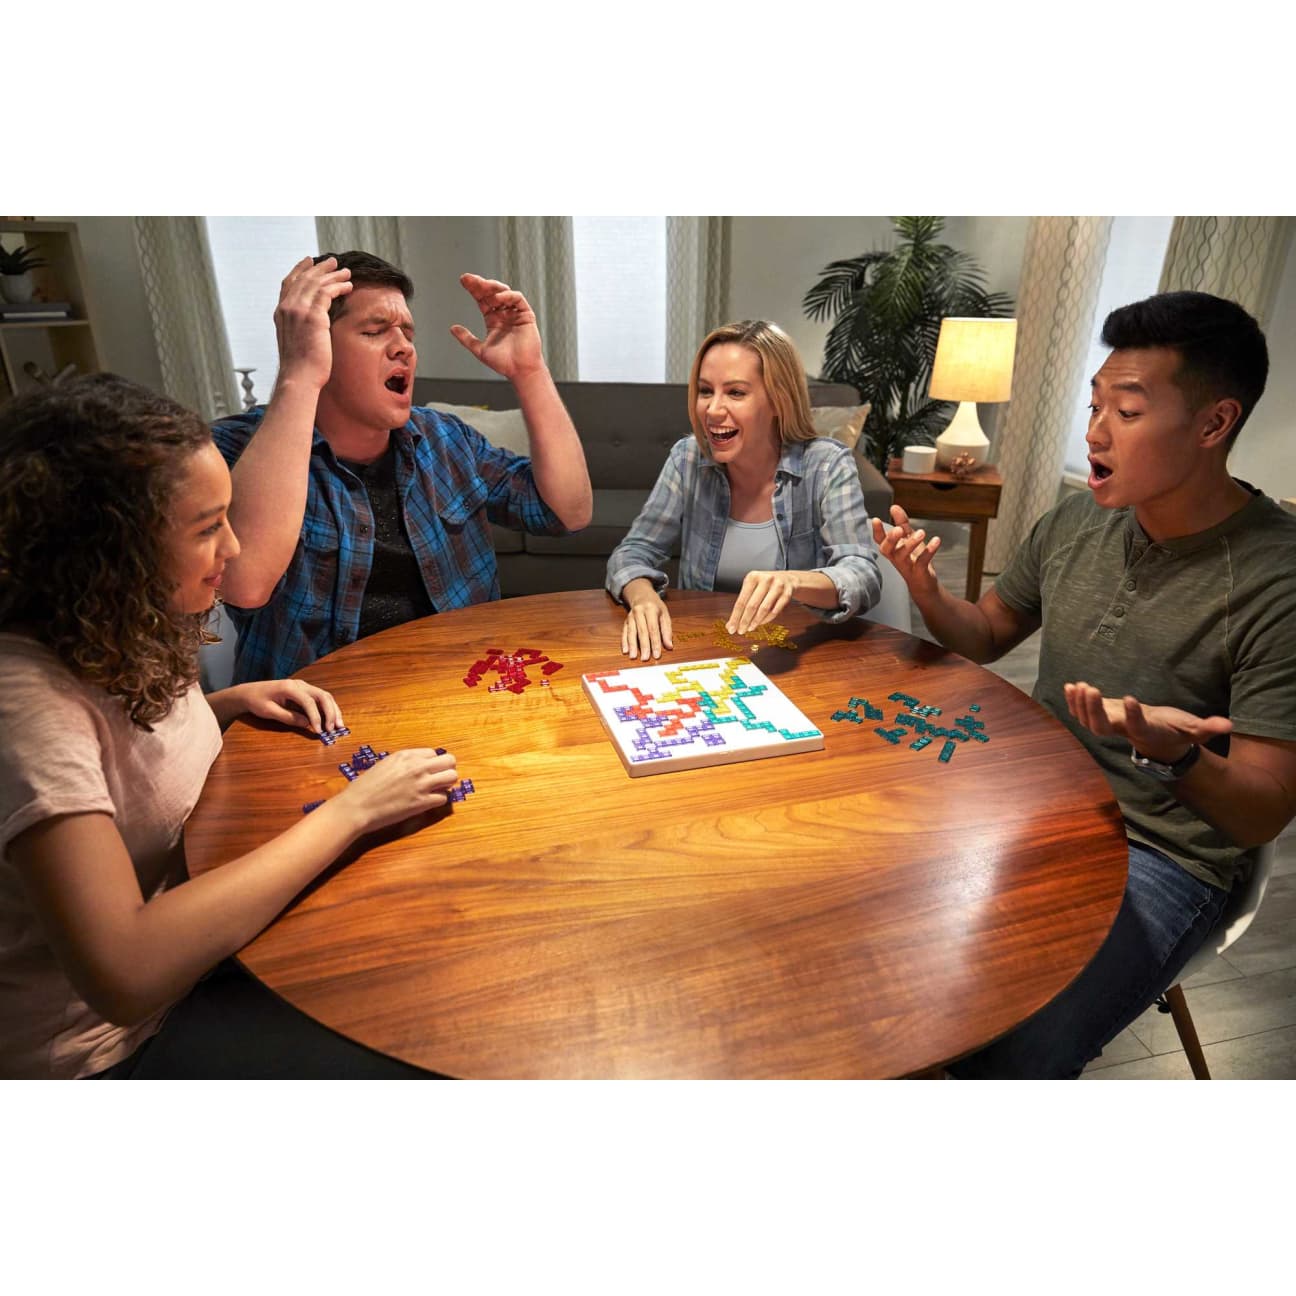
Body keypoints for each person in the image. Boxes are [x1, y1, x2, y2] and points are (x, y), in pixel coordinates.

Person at [872, 291, 1296, 1078]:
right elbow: (990, 634)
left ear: (1214, 424)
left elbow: (1265, 807)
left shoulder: (1279, 578)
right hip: (1034, 803)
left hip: (1166, 855)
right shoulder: (1076, 524)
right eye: (1094, 405)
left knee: (1015, 1052)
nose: (1095, 433)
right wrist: (929, 593)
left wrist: (1177, 757)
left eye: (1126, 413)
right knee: (879, 958)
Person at [0, 375, 462, 1079]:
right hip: (112, 1049)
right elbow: (125, 972)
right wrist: (354, 811)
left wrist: (227, 703)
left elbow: (121, 758)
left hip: (207, 949)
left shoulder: (116, 621)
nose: (235, 547)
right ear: (109, 548)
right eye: (208, 526)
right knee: (421, 1035)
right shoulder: (24, 704)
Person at [212, 251, 593, 684]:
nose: (404, 347)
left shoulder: (446, 438)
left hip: (457, 687)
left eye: (407, 332)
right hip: (312, 714)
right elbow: (244, 585)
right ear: (314, 342)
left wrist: (530, 370)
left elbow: (568, 512)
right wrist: (298, 374)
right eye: (375, 331)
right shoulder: (236, 447)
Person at [606, 320, 881, 659]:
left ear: (779, 400)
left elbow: (863, 575)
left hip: (800, 655)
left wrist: (794, 582)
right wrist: (642, 596)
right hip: (707, 651)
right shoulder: (687, 457)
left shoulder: (826, 464)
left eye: (736, 393)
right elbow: (632, 552)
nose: (713, 409)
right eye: (706, 391)